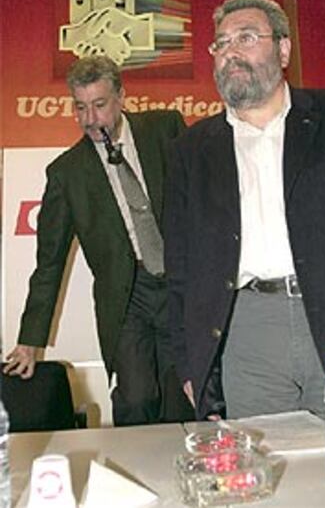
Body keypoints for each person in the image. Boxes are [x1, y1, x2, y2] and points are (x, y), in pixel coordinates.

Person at [164, 0, 325, 421]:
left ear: (283, 49)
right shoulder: (192, 149)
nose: (231, 52)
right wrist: (189, 361)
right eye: (221, 44)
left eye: (246, 37)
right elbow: (180, 266)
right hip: (247, 331)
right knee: (266, 473)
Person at [4, 55, 194, 426]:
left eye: (100, 105)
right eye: (81, 107)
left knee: (182, 401)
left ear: (121, 97)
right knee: (137, 400)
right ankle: (132, 479)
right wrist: (30, 340)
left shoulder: (166, 128)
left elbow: (205, 204)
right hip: (127, 299)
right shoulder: (66, 174)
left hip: (180, 288)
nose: (90, 119)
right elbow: (50, 263)